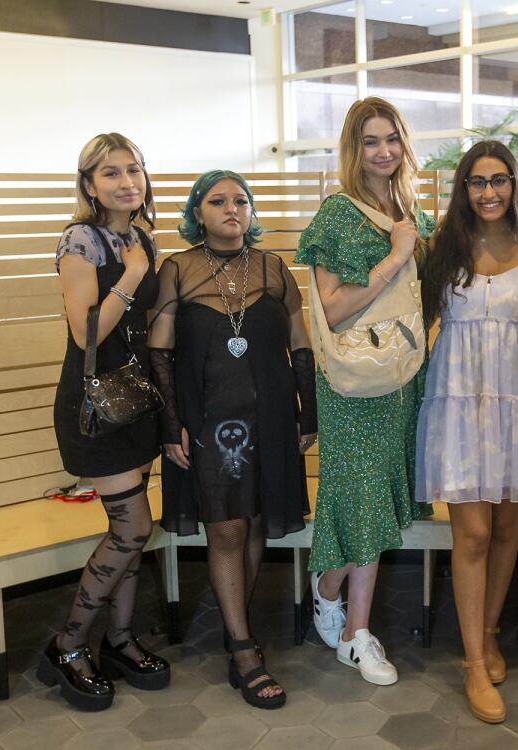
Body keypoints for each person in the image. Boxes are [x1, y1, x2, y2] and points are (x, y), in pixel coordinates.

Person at [149, 170, 316, 709]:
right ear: (197, 211)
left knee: (257, 522)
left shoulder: (274, 268)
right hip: (208, 422)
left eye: (240, 200)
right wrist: (169, 421)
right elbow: (161, 352)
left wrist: (306, 412)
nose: (231, 209)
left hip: (269, 417)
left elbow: (300, 345)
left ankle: (233, 625)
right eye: (217, 201)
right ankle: (244, 649)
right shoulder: (176, 269)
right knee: (226, 529)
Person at [294, 96, 434, 686]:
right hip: (355, 382)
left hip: (403, 376)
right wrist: (396, 257)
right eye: (370, 141)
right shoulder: (337, 215)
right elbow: (330, 307)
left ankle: (335, 596)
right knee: (363, 496)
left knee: (379, 497)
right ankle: (353, 629)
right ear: (354, 151)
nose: (383, 151)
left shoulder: (412, 212)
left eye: (392, 139)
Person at [416, 140, 518, 723]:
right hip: (459, 397)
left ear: (516, 183)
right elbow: (411, 323)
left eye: (499, 180)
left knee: (503, 529)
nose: (489, 191)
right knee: (470, 533)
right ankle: (473, 662)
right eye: (477, 181)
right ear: (462, 188)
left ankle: (490, 631)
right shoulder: (440, 248)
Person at [43, 133, 170, 711]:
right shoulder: (81, 239)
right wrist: (135, 271)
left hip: (137, 399)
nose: (127, 182)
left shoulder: (139, 235)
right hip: (97, 405)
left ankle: (119, 639)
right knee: (132, 529)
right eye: (111, 173)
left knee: (133, 529)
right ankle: (69, 645)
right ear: (89, 184)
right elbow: (85, 332)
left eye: (134, 170)